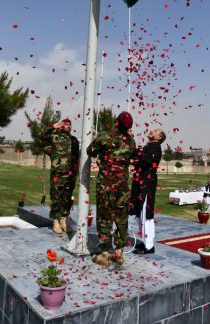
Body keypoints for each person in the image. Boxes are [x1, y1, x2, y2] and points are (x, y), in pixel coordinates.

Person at [86, 111, 136, 267]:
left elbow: (90, 151)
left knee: (104, 218)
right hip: (122, 186)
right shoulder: (131, 141)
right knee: (121, 218)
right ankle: (119, 251)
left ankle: (106, 252)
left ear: (116, 122)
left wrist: (96, 141)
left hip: (105, 185)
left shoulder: (105, 136)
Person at [130, 128, 166, 255]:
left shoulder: (155, 147)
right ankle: (145, 241)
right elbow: (136, 156)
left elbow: (145, 160)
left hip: (147, 184)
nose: (152, 131)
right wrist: (137, 151)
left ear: (159, 137)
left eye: (156, 131)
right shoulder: (148, 146)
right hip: (141, 182)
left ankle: (149, 246)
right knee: (141, 213)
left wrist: (137, 152)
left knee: (146, 213)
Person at [45, 118, 79, 234]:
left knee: (67, 198)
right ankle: (55, 221)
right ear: (61, 125)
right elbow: (41, 137)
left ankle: (64, 220)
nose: (68, 126)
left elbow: (76, 157)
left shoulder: (74, 140)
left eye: (70, 124)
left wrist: (75, 172)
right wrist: (52, 127)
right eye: (66, 124)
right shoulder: (54, 136)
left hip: (70, 174)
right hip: (58, 173)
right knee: (56, 197)